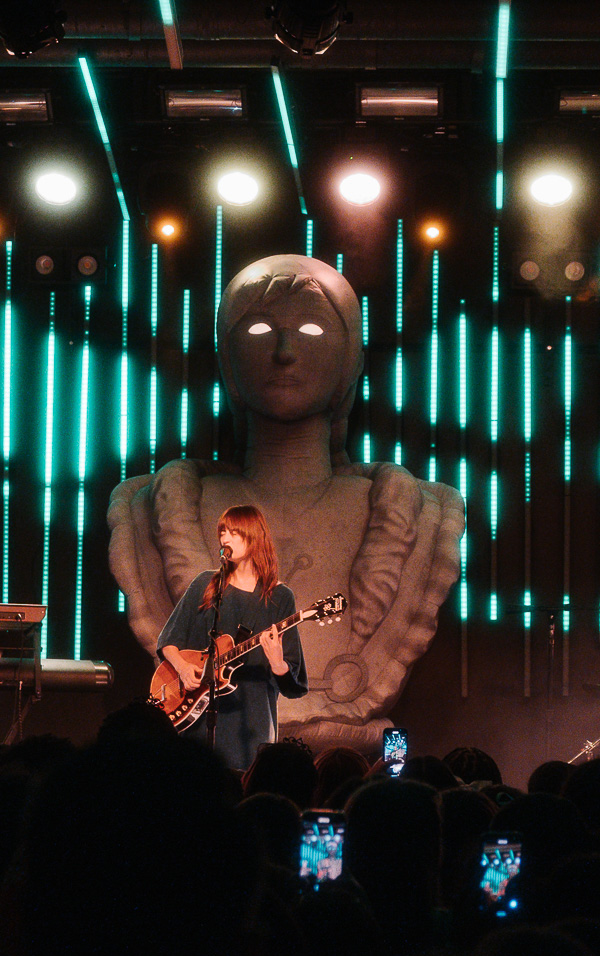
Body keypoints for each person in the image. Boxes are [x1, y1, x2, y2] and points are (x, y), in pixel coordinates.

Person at [110, 255, 464, 751]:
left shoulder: (421, 514)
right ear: (227, 358)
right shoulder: (151, 509)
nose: (284, 352)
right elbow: (174, 639)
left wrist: (278, 663)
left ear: (350, 361)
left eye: (313, 330)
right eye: (258, 329)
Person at [156, 505, 307, 770]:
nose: (224, 538)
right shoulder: (205, 584)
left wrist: (277, 663)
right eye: (222, 532)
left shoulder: (280, 597)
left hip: (251, 723)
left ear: (254, 535)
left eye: (233, 532)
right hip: (199, 714)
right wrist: (183, 668)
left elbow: (292, 682)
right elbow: (168, 642)